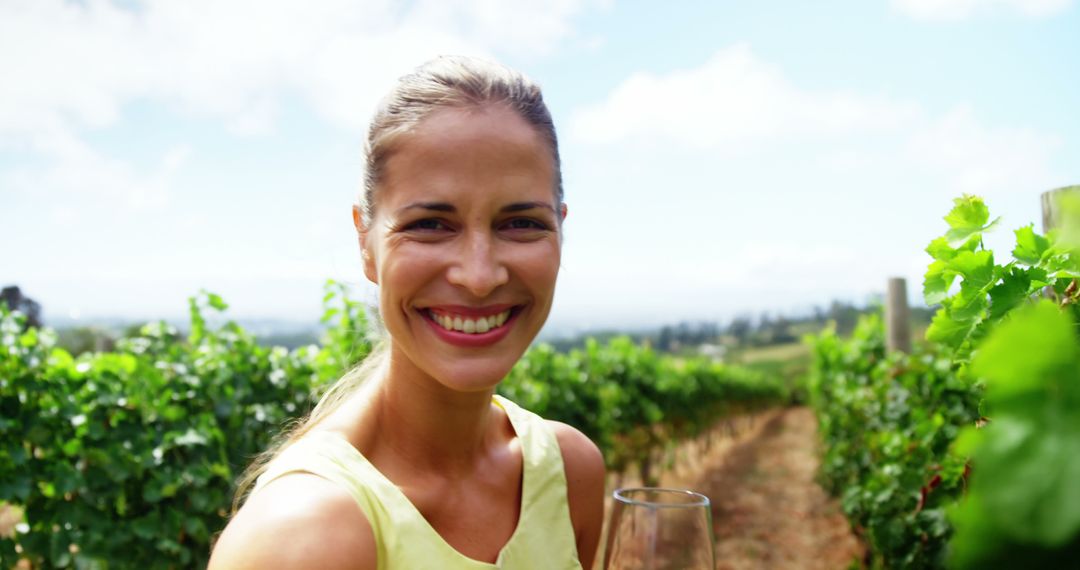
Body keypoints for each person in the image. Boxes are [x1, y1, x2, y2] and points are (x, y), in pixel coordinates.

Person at [208, 56, 606, 569]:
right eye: (431, 225)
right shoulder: (305, 535)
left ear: (561, 230)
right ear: (366, 243)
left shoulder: (569, 473)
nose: (479, 275)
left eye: (521, 223)